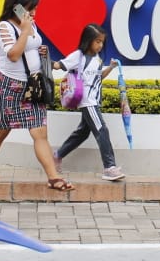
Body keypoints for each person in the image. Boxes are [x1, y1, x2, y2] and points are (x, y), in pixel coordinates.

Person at [0, 0, 71, 192]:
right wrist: (26, 31)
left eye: (35, 8)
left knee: (40, 132)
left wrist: (40, 49)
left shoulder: (30, 25)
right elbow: (13, 55)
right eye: (30, 8)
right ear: (17, 8)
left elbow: (32, 46)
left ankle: (53, 178)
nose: (34, 13)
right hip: (10, 86)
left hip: (33, 86)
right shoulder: (4, 28)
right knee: (2, 130)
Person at [52, 23, 125, 181]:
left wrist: (111, 67)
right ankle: (109, 167)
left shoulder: (97, 59)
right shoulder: (78, 56)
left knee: (82, 133)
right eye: (97, 41)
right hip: (87, 101)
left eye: (102, 42)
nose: (100, 45)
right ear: (88, 40)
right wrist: (44, 59)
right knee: (102, 130)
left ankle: (57, 156)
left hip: (94, 101)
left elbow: (98, 77)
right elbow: (59, 65)